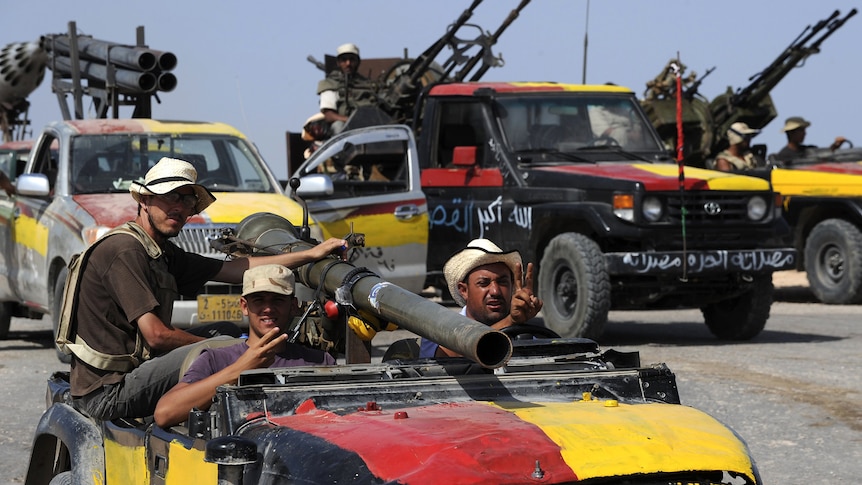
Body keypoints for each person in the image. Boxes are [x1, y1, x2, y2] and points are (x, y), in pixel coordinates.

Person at [69, 157, 347, 421]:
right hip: (106, 392)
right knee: (228, 348)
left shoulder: (160, 251)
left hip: (134, 372)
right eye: (171, 197)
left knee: (225, 332)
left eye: (187, 200)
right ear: (145, 200)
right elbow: (157, 336)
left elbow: (238, 268)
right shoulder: (125, 250)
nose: (179, 207)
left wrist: (312, 254)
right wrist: (229, 352)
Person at [154, 264, 335, 427]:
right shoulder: (215, 359)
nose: (268, 308)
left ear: (293, 306)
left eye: (277, 300)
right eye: (259, 300)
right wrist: (240, 369)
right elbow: (164, 413)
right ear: (244, 306)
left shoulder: (319, 362)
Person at [419, 239, 543, 358]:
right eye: (483, 283)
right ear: (464, 290)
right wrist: (510, 321)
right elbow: (449, 356)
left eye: (502, 282)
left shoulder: (526, 337)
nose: (495, 291)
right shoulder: (438, 331)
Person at [316, 43, 379, 136]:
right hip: (345, 126)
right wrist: (349, 120)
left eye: (352, 59)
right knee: (338, 126)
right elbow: (329, 115)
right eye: (344, 60)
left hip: (369, 125)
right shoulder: (331, 83)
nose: (348, 63)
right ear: (338, 63)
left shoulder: (368, 84)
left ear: (358, 62)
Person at [772, 116, 848, 165]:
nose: (805, 133)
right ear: (791, 133)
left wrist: (835, 145)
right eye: (801, 130)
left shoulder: (809, 150)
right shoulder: (784, 155)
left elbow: (824, 153)